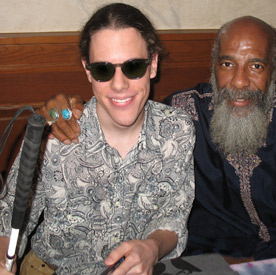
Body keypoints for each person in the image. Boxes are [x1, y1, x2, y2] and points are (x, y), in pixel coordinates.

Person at [35, 16, 276, 262]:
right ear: (213, 67)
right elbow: (122, 104)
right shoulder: (182, 114)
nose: (239, 82)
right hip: (206, 261)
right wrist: (66, 108)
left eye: (256, 66)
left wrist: (264, 261)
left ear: (274, 71)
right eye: (227, 65)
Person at [0, 3, 195, 275]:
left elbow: (173, 214)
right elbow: (9, 216)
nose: (119, 84)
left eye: (133, 66)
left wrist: (152, 247)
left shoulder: (178, 130)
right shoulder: (56, 136)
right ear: (88, 71)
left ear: (153, 64)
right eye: (104, 69)